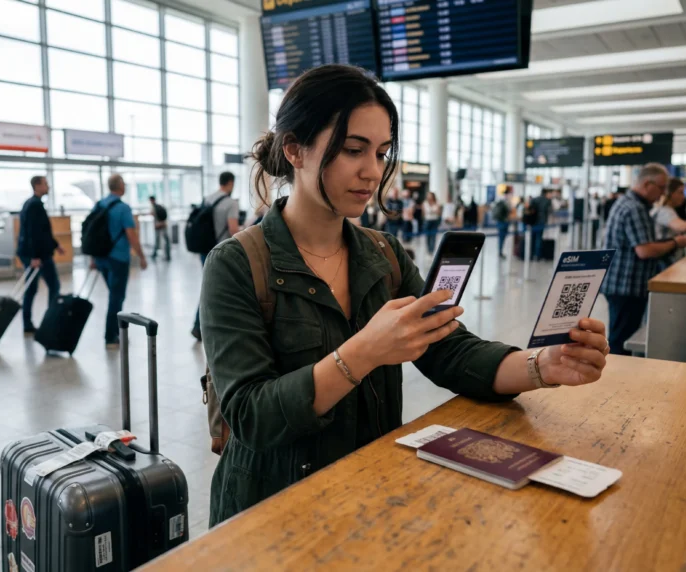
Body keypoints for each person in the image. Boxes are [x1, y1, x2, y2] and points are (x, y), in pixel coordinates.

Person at [200, 64, 610, 528]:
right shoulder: (236, 264)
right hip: (270, 513)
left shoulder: (384, 255)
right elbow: (250, 414)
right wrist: (365, 352)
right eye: (354, 150)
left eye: (381, 152)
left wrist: (541, 365)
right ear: (295, 149)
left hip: (369, 494)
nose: (372, 171)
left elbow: (450, 350)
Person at [601, 163, 686, 355]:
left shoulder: (630, 203)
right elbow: (645, 250)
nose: (662, 194)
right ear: (647, 184)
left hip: (623, 284)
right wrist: (675, 243)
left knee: (621, 337)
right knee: (622, 342)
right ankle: (617, 380)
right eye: (661, 188)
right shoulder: (635, 208)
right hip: (625, 286)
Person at [94, 174, 147, 347]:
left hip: (102, 258)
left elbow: (91, 232)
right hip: (118, 258)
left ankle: (115, 332)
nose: (125, 186)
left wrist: (92, 257)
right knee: (116, 298)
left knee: (114, 295)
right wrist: (142, 256)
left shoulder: (100, 204)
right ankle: (111, 336)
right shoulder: (123, 208)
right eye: (123, 183)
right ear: (118, 186)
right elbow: (131, 235)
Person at [191, 172, 240, 342]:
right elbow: (233, 229)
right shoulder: (231, 203)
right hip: (222, 251)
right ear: (230, 183)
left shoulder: (208, 198)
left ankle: (201, 326)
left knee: (210, 285)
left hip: (205, 248)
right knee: (220, 288)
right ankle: (200, 326)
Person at [16, 176, 63, 335]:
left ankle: (28, 324)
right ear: (37, 185)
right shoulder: (35, 205)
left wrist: (56, 245)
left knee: (31, 289)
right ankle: (50, 321)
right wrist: (34, 257)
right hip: (39, 256)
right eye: (45, 184)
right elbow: (33, 234)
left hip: (33, 254)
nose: (48, 186)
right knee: (54, 286)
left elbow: (42, 231)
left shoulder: (30, 204)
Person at [531, 188, 552, 260]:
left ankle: (530, 254)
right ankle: (537, 255)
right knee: (538, 238)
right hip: (541, 221)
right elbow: (549, 211)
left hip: (533, 221)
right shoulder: (547, 201)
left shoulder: (534, 199)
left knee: (532, 238)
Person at [491, 187, 512, 259]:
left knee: (502, 238)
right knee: (501, 238)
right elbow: (508, 211)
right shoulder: (505, 202)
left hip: (501, 222)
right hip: (503, 222)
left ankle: (500, 251)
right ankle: (500, 252)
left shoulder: (501, 201)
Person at [148, 196, 170, 262]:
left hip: (158, 225)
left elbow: (152, 214)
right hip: (163, 225)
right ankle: (168, 255)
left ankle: (155, 254)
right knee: (166, 240)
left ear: (151, 200)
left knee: (157, 240)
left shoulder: (153, 207)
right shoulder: (160, 206)